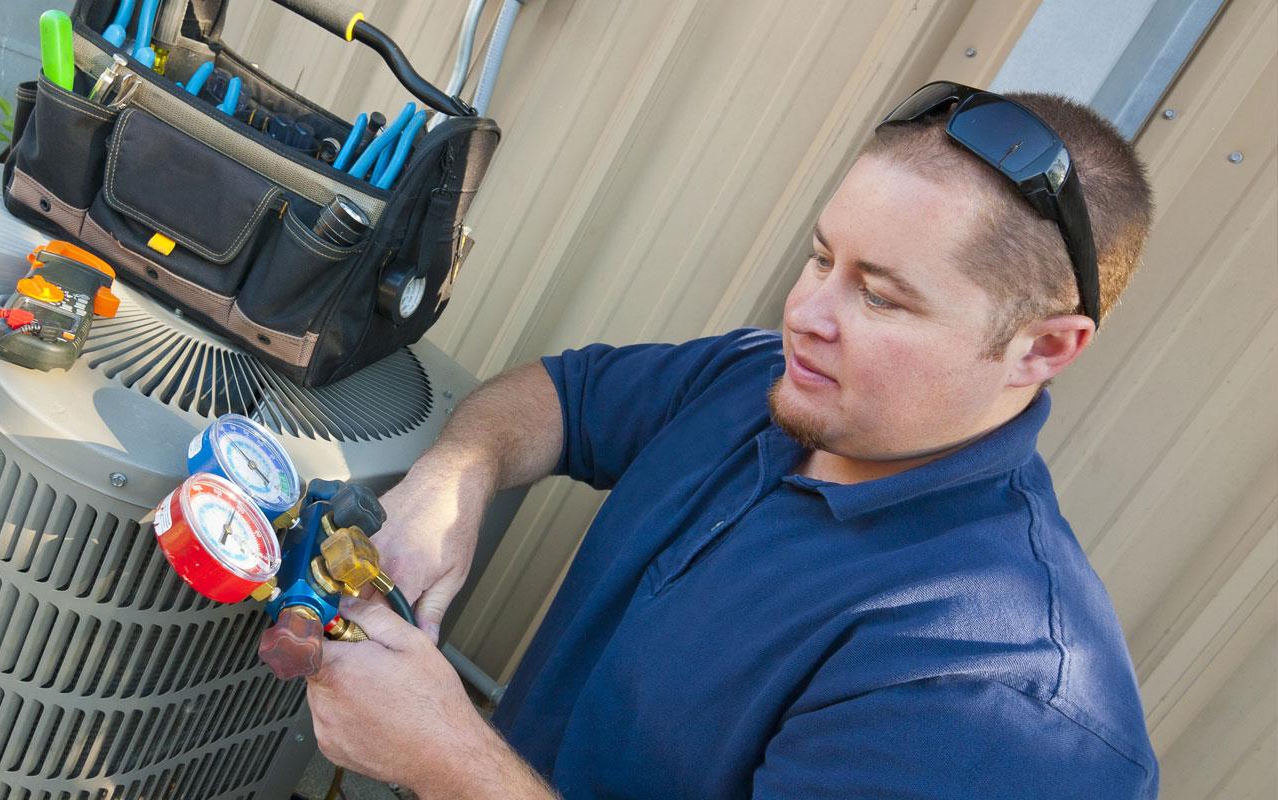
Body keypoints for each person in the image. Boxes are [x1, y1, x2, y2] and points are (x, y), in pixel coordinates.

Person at [303, 82, 1160, 798]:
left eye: (882, 298)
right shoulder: (762, 384)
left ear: (1043, 348)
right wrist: (454, 478)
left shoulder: (997, 697)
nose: (806, 315)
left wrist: (447, 760)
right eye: (823, 258)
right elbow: (563, 397)